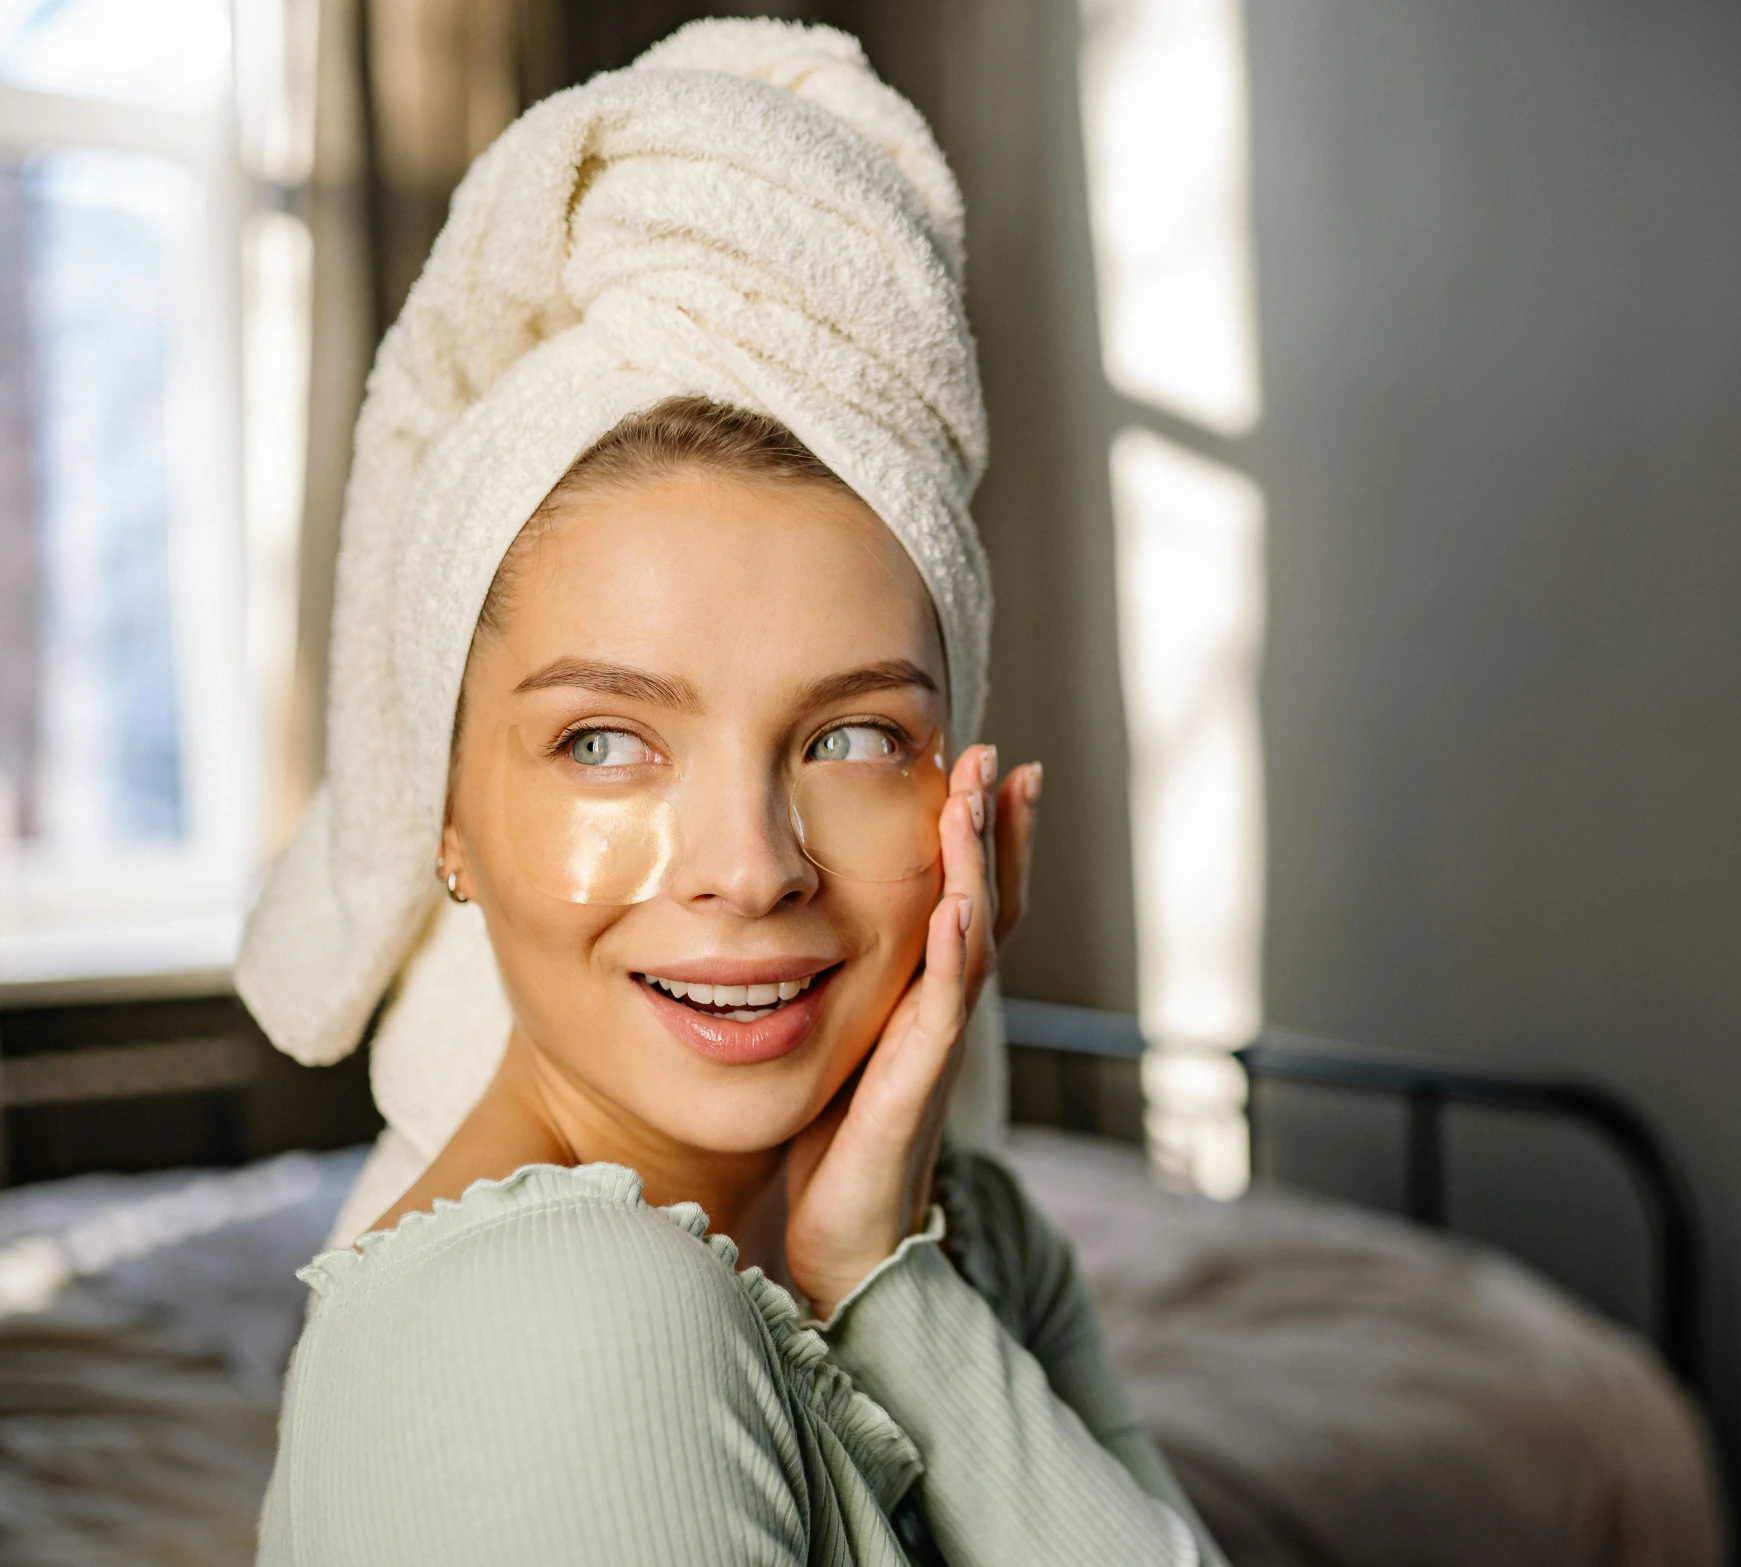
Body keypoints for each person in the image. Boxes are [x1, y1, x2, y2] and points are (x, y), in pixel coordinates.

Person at [235, 21, 1225, 1566]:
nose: (748, 866)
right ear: (445, 815)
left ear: (966, 799)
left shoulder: (959, 1239)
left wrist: (879, 1271)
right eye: (604, 741)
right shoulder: (556, 1323)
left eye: (849, 740)